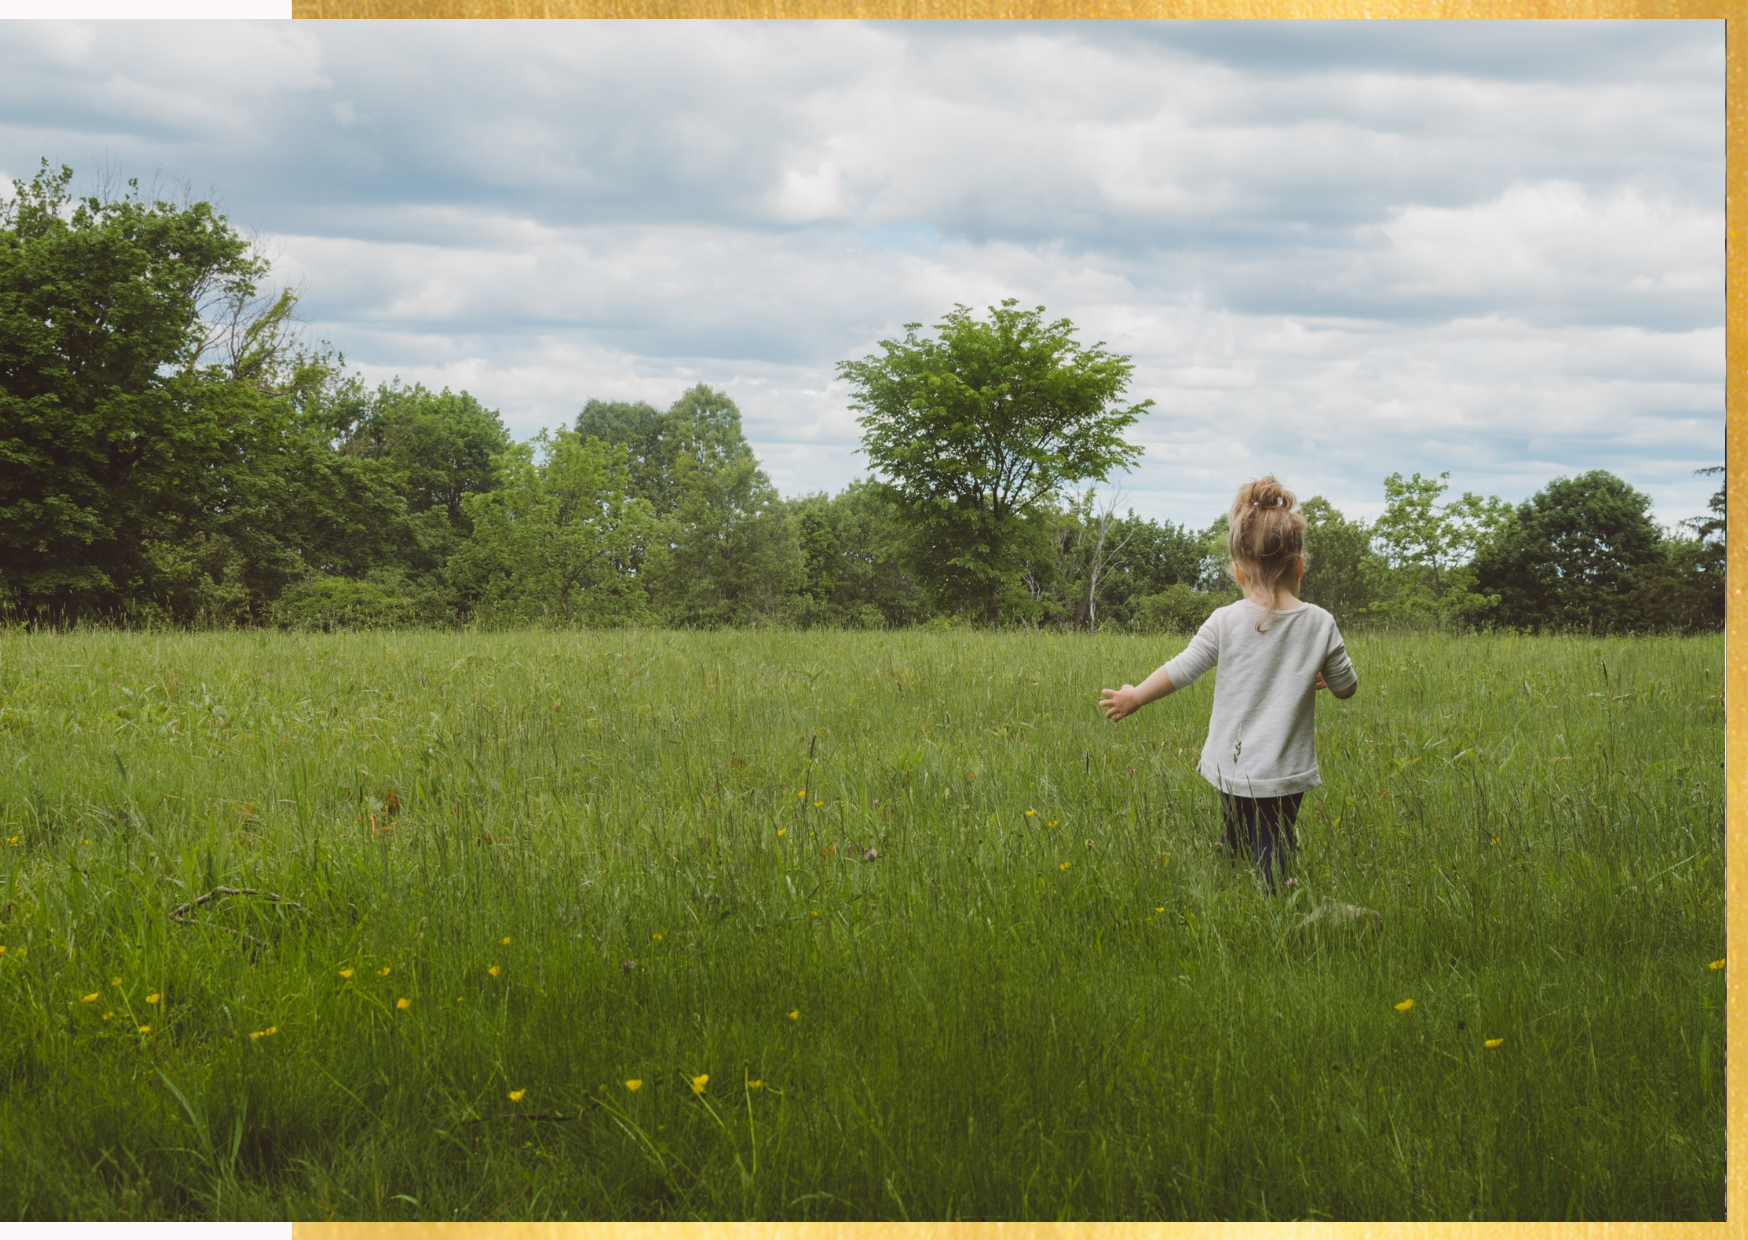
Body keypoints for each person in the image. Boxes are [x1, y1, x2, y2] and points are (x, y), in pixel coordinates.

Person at [1100, 476, 1358, 892]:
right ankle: (1270, 895)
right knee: (1273, 840)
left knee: (1237, 829)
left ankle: (1245, 882)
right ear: (1299, 565)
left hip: (1230, 764)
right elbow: (1346, 686)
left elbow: (1182, 669)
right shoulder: (1320, 623)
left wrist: (1136, 696)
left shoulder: (1225, 620)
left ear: (1238, 572)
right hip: (1285, 769)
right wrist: (1328, 676)